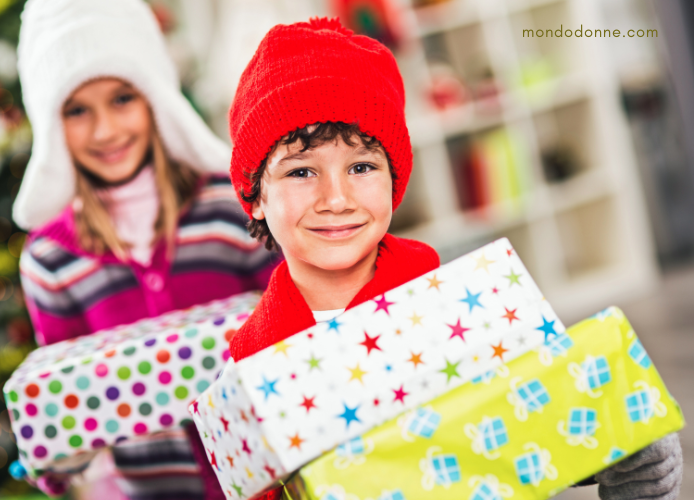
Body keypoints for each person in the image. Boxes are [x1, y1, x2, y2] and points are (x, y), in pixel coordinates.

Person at [223, 18, 683, 500]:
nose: (335, 198)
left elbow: (546, 427)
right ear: (254, 195)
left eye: (361, 167)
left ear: (394, 178)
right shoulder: (253, 363)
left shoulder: (461, 302)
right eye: (300, 171)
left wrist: (631, 430)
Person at [13, 0, 279, 498]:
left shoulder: (232, 208)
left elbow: (292, 328)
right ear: (51, 125)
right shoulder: (51, 261)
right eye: (76, 110)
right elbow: (65, 401)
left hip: (270, 472)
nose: (106, 130)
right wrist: (59, 459)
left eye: (121, 99)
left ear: (155, 97)